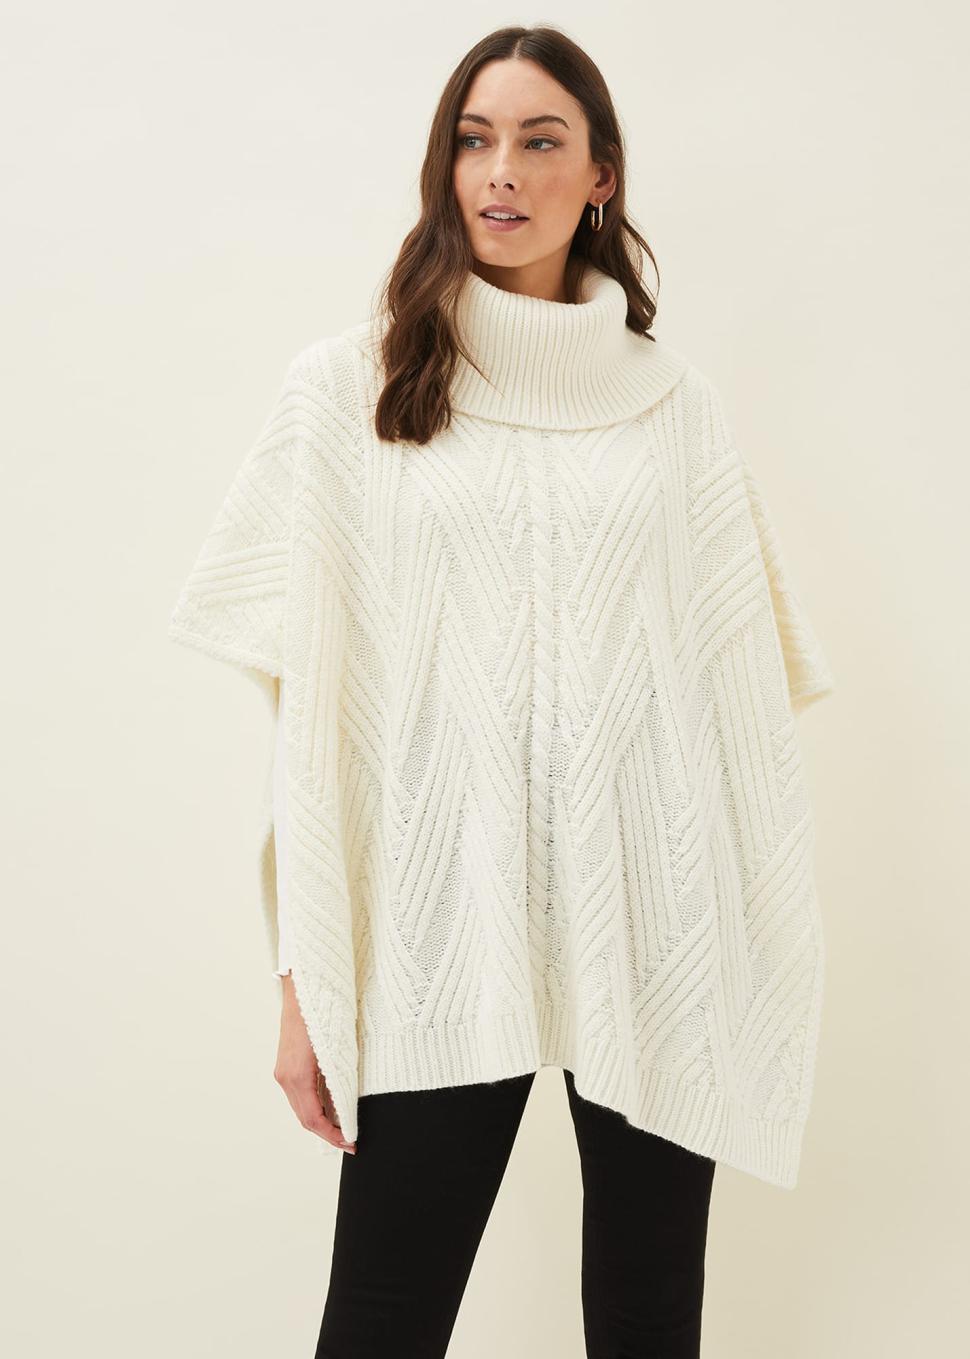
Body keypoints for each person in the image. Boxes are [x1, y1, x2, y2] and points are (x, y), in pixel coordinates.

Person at [169, 24, 835, 1359]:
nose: (502, 172)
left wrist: (744, 949)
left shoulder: (675, 407)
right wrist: (305, 979)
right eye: (474, 140)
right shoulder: (349, 389)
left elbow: (736, 708)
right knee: (383, 1315)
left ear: (601, 175)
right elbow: (311, 723)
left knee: (650, 1321)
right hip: (436, 926)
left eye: (540, 141)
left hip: (653, 930)